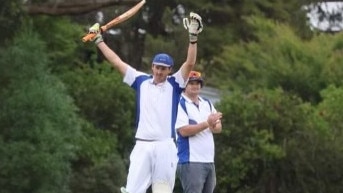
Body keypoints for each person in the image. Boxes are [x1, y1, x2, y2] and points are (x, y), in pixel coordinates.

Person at [87, 12, 203, 193]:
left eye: (163, 69)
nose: (159, 72)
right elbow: (117, 62)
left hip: (165, 146)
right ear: (152, 66)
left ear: (169, 70)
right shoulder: (141, 81)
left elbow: (190, 63)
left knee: (162, 190)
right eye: (157, 67)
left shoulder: (175, 84)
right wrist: (99, 41)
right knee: (132, 190)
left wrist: (193, 38)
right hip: (142, 145)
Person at [175, 70, 223, 193]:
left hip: (209, 160)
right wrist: (208, 123)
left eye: (198, 83)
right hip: (191, 160)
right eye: (191, 83)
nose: (195, 86)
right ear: (185, 85)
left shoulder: (206, 103)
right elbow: (184, 131)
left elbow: (218, 128)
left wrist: (212, 125)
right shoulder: (180, 103)